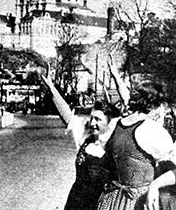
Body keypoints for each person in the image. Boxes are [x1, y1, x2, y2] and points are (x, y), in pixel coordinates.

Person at [42, 75, 121, 210]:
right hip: (76, 200)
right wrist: (51, 87)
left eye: (98, 119)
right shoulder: (85, 137)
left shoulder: (114, 144)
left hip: (100, 203)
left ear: (110, 122)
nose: (92, 123)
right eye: (91, 118)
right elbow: (68, 116)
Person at [96, 81, 174, 210]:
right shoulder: (151, 129)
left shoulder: (115, 124)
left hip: (111, 199)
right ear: (155, 105)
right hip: (139, 200)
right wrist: (156, 185)